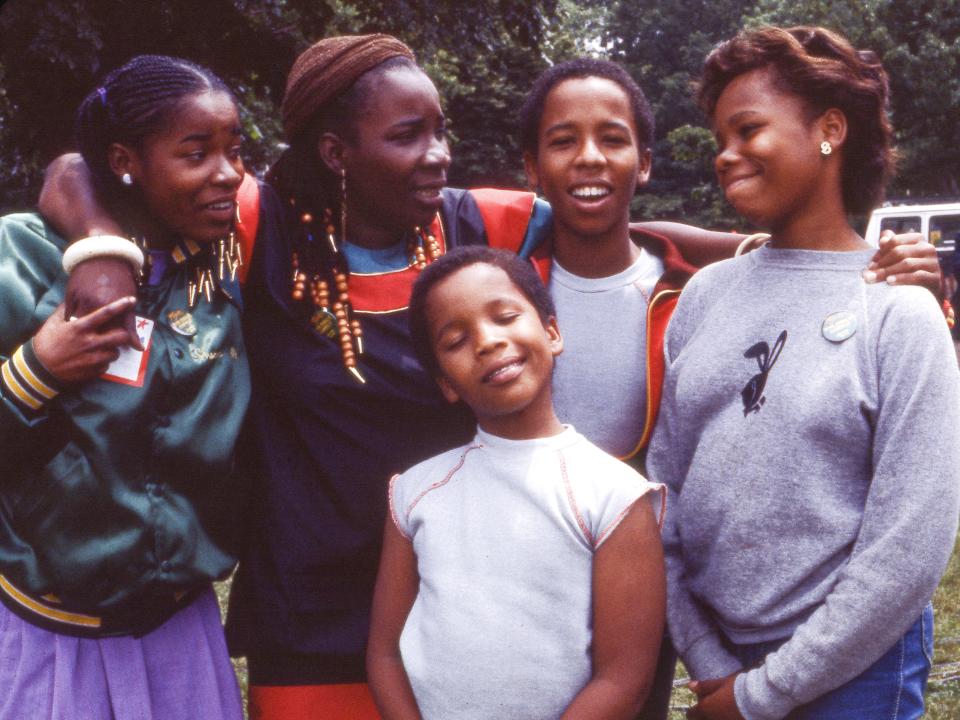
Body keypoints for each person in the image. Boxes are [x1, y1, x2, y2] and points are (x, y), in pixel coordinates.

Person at [35, 34, 945, 719]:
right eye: (409, 134)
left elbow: (625, 228)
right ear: (335, 152)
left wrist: (796, 254)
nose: (437, 154)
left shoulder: (476, 224)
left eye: (441, 132)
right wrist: (102, 259)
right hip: (307, 605)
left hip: (466, 594)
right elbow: (82, 165)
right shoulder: (258, 220)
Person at [648, 26, 960, 720]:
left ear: (829, 130)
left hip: (857, 672)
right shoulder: (703, 297)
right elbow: (663, 494)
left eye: (748, 129)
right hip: (720, 663)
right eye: (718, 140)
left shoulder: (898, 312)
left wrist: (763, 696)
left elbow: (909, 547)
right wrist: (709, 660)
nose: (726, 156)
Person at [0, 55, 248, 719]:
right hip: (50, 635)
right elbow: (70, 170)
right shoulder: (19, 257)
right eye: (196, 153)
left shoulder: (226, 261)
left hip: (180, 632)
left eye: (235, 150)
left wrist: (100, 237)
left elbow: (68, 169)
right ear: (125, 160)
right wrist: (37, 371)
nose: (227, 173)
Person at [368, 245, 666, 719]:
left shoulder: (614, 495)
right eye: (455, 341)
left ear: (551, 332)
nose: (486, 341)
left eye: (505, 316)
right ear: (445, 383)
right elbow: (384, 656)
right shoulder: (416, 491)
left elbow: (625, 678)